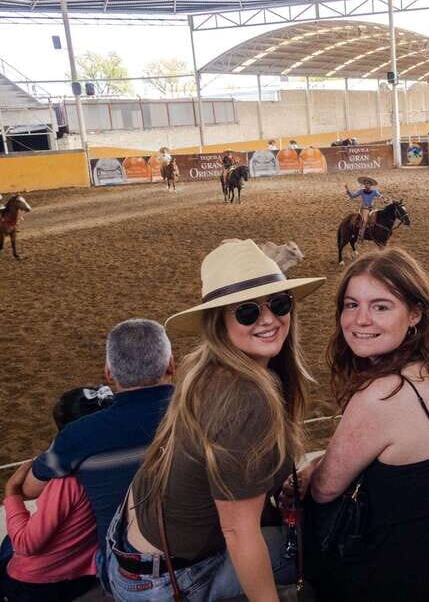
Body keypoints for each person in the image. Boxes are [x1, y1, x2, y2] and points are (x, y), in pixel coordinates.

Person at [105, 239, 325, 601]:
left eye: (280, 303)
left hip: (131, 550)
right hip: (168, 580)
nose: (269, 319)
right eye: (247, 312)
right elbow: (238, 532)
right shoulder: (244, 398)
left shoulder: (205, 369)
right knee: (323, 541)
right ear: (219, 322)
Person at [302, 247, 429, 602]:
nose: (360, 320)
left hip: (406, 582)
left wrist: (313, 470)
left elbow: (324, 489)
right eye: (351, 304)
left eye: (381, 306)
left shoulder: (381, 396)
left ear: (415, 313)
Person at [21, 319, 175, 583]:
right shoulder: (204, 412)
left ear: (109, 373)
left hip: (125, 572)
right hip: (203, 553)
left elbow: (30, 489)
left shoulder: (79, 434)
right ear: (171, 366)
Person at [2, 386, 115, 602]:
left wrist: (12, 493)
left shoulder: (68, 482)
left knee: (10, 545)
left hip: (38, 585)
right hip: (86, 574)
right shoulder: (125, 463)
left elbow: (27, 544)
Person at [345, 176, 388, 242]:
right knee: (365, 221)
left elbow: (380, 196)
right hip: (364, 208)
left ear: (370, 185)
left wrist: (384, 199)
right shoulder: (361, 191)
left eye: (367, 183)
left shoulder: (374, 191)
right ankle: (361, 236)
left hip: (371, 209)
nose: (366, 185)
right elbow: (352, 196)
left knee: (377, 219)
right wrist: (347, 189)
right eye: (365, 183)